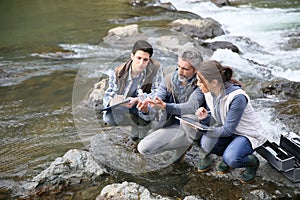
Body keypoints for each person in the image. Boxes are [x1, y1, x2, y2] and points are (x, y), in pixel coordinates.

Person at [192, 60, 267, 183]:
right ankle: (228, 155)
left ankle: (252, 163)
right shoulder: (210, 91)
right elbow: (219, 120)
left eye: (200, 81)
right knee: (206, 143)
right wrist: (205, 118)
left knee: (232, 158)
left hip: (246, 134)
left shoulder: (238, 97)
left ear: (214, 82)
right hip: (230, 130)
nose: (198, 84)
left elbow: (227, 131)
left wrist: (204, 129)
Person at [136, 48, 207, 163]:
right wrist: (146, 109)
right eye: (178, 66)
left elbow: (190, 106)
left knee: (191, 118)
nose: (179, 71)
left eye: (185, 69)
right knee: (143, 148)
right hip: (172, 125)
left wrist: (165, 106)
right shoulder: (168, 79)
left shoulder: (202, 83)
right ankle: (182, 145)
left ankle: (191, 144)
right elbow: (157, 101)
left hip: (194, 127)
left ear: (196, 69)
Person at [102, 40, 163, 141]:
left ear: (149, 60)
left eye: (145, 60)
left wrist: (138, 100)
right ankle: (134, 124)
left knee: (152, 109)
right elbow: (109, 95)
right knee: (108, 117)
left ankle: (144, 123)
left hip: (142, 104)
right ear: (132, 56)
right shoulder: (117, 72)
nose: (141, 63)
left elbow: (158, 92)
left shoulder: (156, 69)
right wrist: (115, 102)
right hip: (124, 105)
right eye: (138, 58)